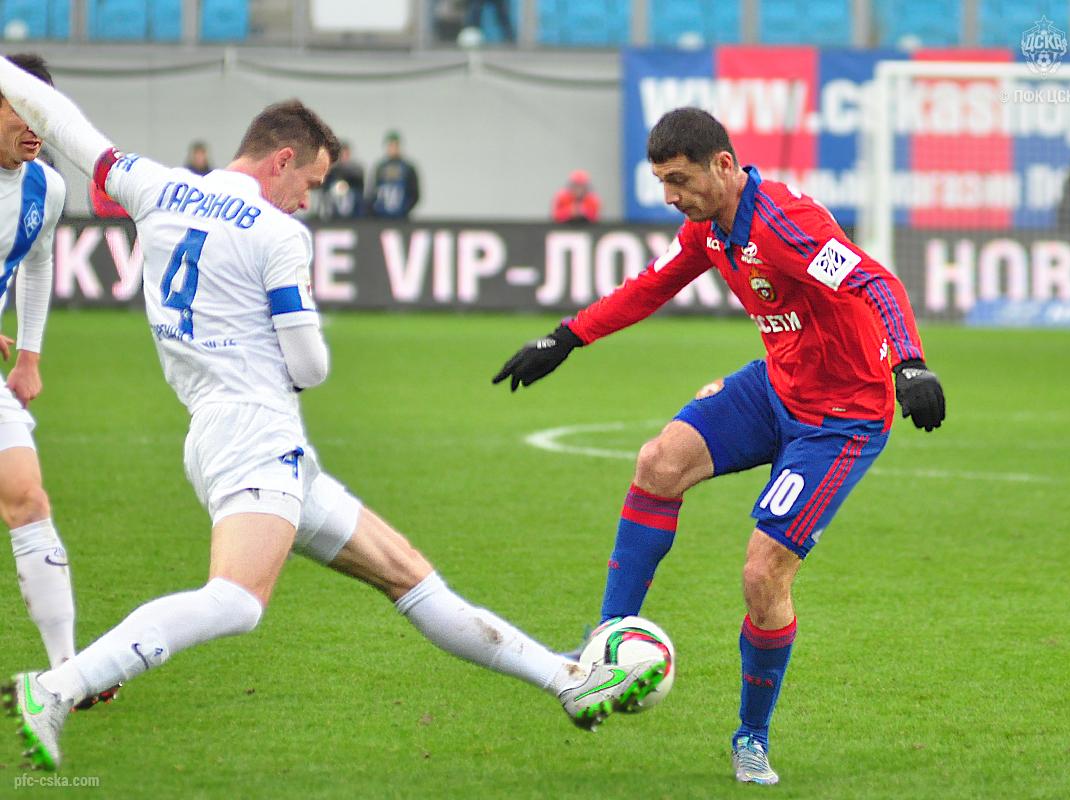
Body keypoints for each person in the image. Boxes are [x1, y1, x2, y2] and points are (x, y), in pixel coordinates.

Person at [0, 62, 666, 771]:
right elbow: (310, 365)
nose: (306, 201)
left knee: (410, 578)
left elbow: (64, 123)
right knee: (236, 600)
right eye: (311, 183)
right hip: (255, 431)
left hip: (224, 431)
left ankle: (567, 680)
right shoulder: (277, 233)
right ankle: (56, 686)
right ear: (282, 160)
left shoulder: (154, 186)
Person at [493, 107, 946, 785]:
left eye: (679, 180)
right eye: (662, 182)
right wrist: (566, 337)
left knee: (763, 576)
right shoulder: (710, 230)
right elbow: (650, 286)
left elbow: (875, 280)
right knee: (658, 463)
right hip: (777, 387)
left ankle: (750, 738)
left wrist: (910, 363)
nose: (671, 196)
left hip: (842, 418)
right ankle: (608, 645)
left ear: (724, 166)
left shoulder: (784, 222)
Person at [0, 53, 84, 696]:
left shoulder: (45, 188)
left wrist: (30, 354)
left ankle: (67, 672)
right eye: (23, 111)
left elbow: (36, 261)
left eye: (43, 114)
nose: (36, 128)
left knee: (28, 500)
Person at [367, 131, 419, 219]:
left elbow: (415, 194)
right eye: (391, 145)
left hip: (401, 217)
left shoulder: (408, 168)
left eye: (396, 145)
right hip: (381, 217)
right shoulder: (380, 168)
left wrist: (405, 209)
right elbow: (373, 191)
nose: (393, 148)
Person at [320, 139, 365, 219]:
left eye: (346, 154)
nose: (344, 157)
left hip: (350, 196)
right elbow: (325, 185)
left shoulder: (356, 169)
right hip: (335, 195)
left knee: (351, 195)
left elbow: (360, 186)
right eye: (343, 154)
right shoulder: (333, 169)